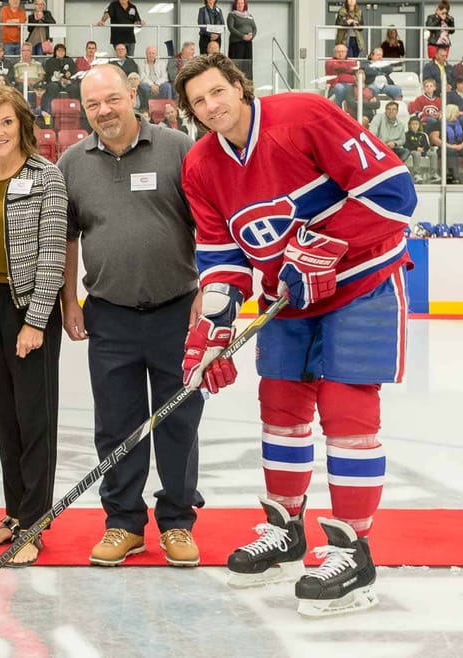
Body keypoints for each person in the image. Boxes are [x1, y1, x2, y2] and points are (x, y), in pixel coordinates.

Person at [174, 53, 415, 617]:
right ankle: (285, 529)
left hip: (362, 284)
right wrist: (212, 328)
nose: (212, 107)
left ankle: (352, 552)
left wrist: (327, 243)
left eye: (217, 92)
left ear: (240, 86)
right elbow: (221, 258)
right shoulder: (201, 166)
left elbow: (395, 193)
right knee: (280, 407)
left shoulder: (303, 116)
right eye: (198, 102)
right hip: (289, 297)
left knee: (346, 409)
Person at [57, 64, 203, 568]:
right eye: (93, 104)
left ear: (133, 94)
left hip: (178, 312)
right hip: (110, 317)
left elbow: (207, 222)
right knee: (116, 425)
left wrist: (207, 290)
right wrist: (68, 300)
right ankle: (123, 523)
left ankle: (179, 523)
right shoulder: (73, 161)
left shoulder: (178, 147)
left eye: (112, 100)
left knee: (179, 421)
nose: (103, 111)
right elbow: (67, 236)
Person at [0, 85, 66, 567]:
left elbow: (52, 253)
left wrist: (36, 319)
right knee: (5, 418)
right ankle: (13, 515)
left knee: (34, 420)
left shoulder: (46, 177)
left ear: (22, 125)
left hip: (28, 308)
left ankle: (35, 523)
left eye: (6, 121)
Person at [226, 0, 255, 78]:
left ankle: (248, 85)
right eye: (238, 3)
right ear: (235, 5)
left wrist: (251, 36)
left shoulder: (249, 15)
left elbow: (254, 28)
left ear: (244, 4)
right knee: (237, 66)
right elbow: (231, 28)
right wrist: (243, 36)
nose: (240, 5)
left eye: (242, 3)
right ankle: (236, 83)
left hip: (248, 43)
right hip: (236, 43)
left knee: (248, 65)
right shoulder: (232, 15)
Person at [404, 115, 436, 182]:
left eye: (416, 124)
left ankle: (433, 174)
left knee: (433, 154)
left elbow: (427, 145)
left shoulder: (423, 134)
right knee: (417, 153)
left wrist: (423, 150)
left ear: (419, 125)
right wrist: (416, 148)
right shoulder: (406, 134)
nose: (414, 126)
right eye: (413, 124)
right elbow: (406, 145)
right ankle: (417, 174)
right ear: (409, 125)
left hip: (423, 151)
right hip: (412, 151)